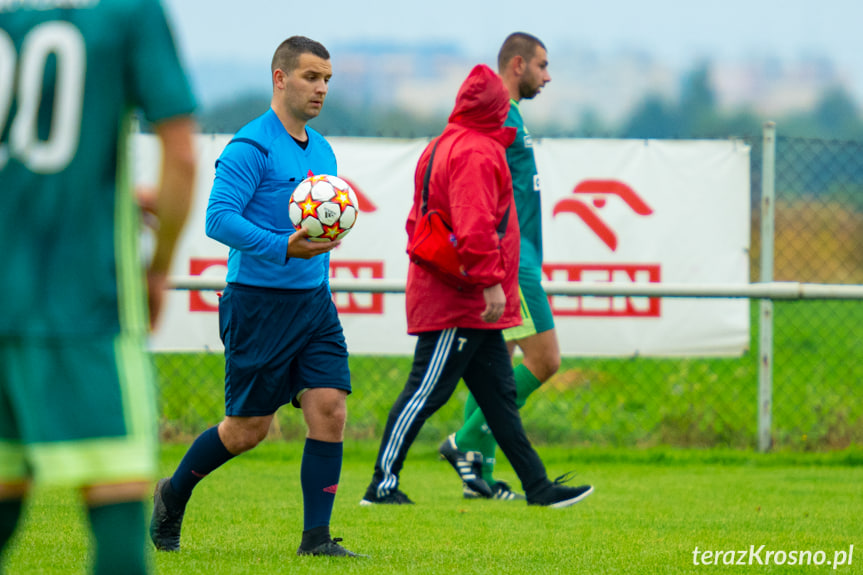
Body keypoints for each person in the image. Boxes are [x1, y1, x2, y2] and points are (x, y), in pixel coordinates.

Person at [148, 36, 364, 558]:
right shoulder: (251, 146)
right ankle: (172, 494)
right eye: (312, 77)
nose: (321, 89)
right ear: (280, 78)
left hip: (313, 304)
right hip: (258, 304)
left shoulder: (323, 148)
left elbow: (317, 236)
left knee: (330, 409)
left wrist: (313, 269)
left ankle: (316, 539)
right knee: (248, 430)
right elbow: (218, 219)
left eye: (327, 79)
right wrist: (284, 248)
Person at [0, 1, 197, 574]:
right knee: (116, 499)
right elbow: (181, 155)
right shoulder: (127, 11)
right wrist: (157, 268)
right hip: (81, 301)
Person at [360, 63, 592, 509]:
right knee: (425, 392)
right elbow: (474, 226)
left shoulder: (442, 145)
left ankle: (539, 487)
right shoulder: (477, 152)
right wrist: (489, 285)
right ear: (493, 107)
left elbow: (421, 222)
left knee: (501, 401)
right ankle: (381, 484)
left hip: (455, 292)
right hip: (459, 299)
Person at [440, 32, 560, 502]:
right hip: (514, 260)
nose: (547, 76)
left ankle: (480, 477)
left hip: (521, 254)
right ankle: (465, 443)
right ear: (517, 64)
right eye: (542, 66)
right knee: (545, 360)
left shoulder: (511, 115)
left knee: (498, 363)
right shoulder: (496, 118)